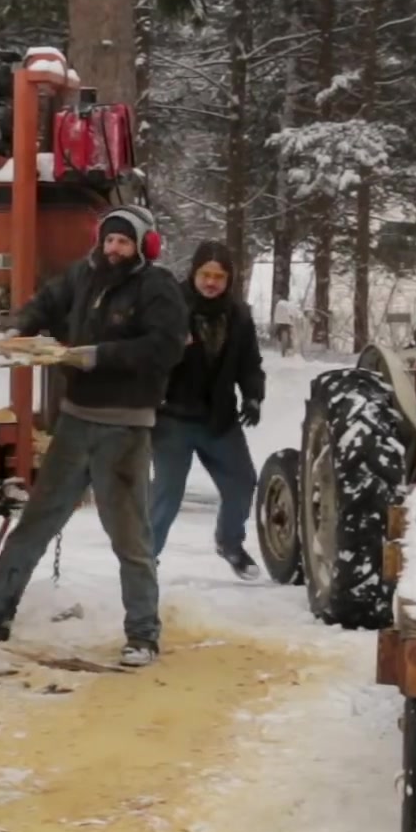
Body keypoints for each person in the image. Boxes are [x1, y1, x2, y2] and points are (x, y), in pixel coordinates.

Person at [0, 204, 187, 667]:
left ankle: (143, 634)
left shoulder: (158, 287)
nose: (113, 249)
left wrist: (99, 355)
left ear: (144, 246)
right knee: (36, 522)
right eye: (109, 240)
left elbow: (165, 347)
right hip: (75, 421)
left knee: (130, 537)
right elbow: (48, 303)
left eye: (124, 242)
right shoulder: (83, 275)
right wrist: (20, 328)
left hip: (125, 428)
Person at [146, 241, 266, 579]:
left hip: (218, 419)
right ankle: (145, 560)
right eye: (205, 274)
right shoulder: (172, 307)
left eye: (219, 276)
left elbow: (250, 364)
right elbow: (148, 356)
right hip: (173, 418)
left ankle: (230, 542)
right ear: (194, 273)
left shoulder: (239, 316)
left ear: (229, 279)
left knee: (242, 482)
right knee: (168, 492)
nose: (211, 282)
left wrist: (253, 396)